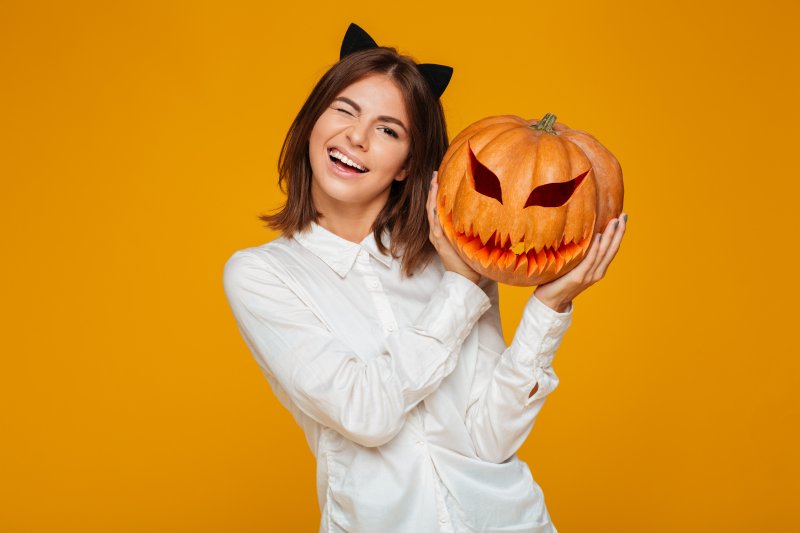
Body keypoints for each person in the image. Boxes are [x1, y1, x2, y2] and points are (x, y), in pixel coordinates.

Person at [223, 23, 626, 533]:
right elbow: (365, 414)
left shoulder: (456, 254)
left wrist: (550, 310)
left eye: (388, 130)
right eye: (345, 110)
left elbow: (490, 439)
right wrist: (459, 291)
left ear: (405, 166)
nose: (356, 137)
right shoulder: (263, 275)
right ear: (312, 123)